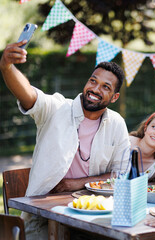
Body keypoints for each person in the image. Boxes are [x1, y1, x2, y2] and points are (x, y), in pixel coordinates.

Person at [0, 40, 130, 238]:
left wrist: (76, 183)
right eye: (93, 81)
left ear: (114, 97)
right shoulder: (57, 108)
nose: (95, 89)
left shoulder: (117, 123)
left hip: (95, 214)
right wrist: (7, 66)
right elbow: (28, 95)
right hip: (44, 215)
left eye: (105, 87)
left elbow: (122, 176)